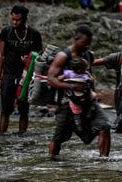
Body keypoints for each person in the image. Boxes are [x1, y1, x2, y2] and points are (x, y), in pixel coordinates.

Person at [47, 25, 111, 159]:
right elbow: (51, 79)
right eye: (84, 43)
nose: (87, 46)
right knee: (59, 137)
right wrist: (72, 87)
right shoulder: (63, 56)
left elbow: (89, 76)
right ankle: (51, 162)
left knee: (104, 126)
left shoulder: (88, 55)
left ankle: (103, 160)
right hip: (67, 103)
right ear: (76, 39)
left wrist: (93, 93)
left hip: (89, 101)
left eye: (89, 44)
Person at [0, 5, 43, 134]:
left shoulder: (34, 34)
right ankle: (2, 138)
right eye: (13, 19)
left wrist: (30, 59)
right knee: (5, 109)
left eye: (17, 20)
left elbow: (40, 54)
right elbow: (1, 55)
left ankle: (22, 139)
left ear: (25, 20)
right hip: (9, 74)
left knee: (23, 109)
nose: (14, 22)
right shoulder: (6, 32)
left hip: (26, 75)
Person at [58, 56, 96, 134]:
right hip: (77, 95)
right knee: (92, 98)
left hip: (78, 95)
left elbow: (59, 78)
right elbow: (92, 80)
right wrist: (88, 75)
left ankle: (79, 124)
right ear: (79, 69)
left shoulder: (69, 73)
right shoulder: (82, 74)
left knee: (77, 111)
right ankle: (82, 121)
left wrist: (65, 79)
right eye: (85, 68)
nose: (86, 70)